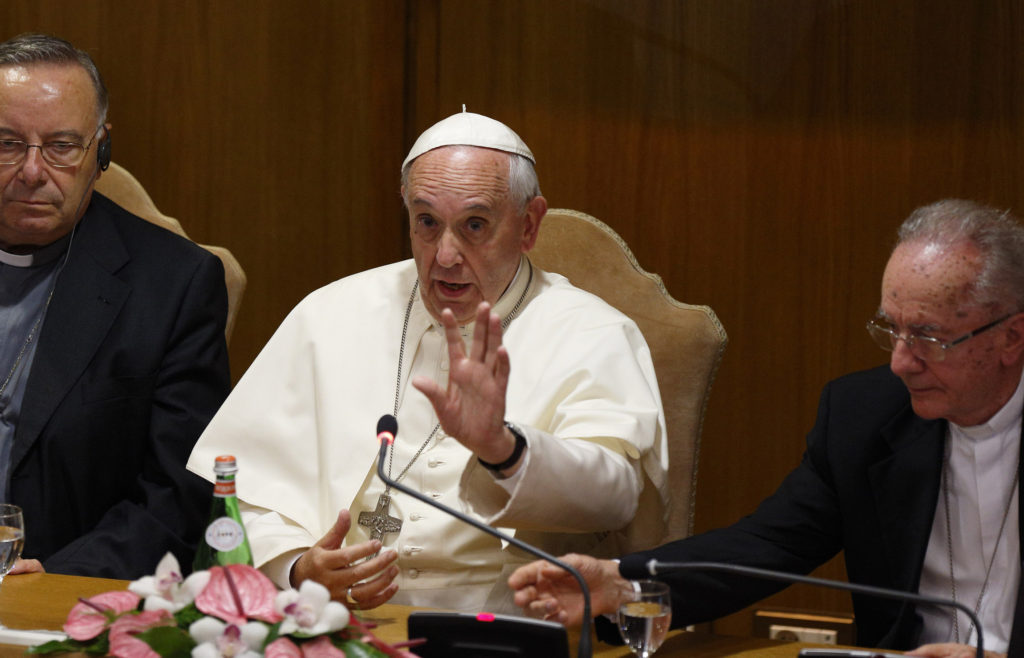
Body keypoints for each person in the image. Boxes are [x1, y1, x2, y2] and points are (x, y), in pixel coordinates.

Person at [187, 109, 668, 614]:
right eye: (427, 222)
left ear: (528, 225)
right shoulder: (330, 312)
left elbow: (614, 496)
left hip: (505, 621)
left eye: (475, 225)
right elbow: (243, 488)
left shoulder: (590, 331)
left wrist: (503, 449)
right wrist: (294, 568)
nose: (445, 255)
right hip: (341, 624)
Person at [510, 199, 1024, 658]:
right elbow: (763, 548)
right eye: (892, 328)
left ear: (1012, 338)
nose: (900, 362)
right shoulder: (865, 416)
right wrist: (620, 584)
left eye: (928, 337)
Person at [0, 33, 230, 578]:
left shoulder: (175, 286)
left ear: (100, 151)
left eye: (60, 146)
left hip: (66, 591)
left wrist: (56, 577)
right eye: (7, 143)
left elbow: (178, 495)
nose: (32, 172)